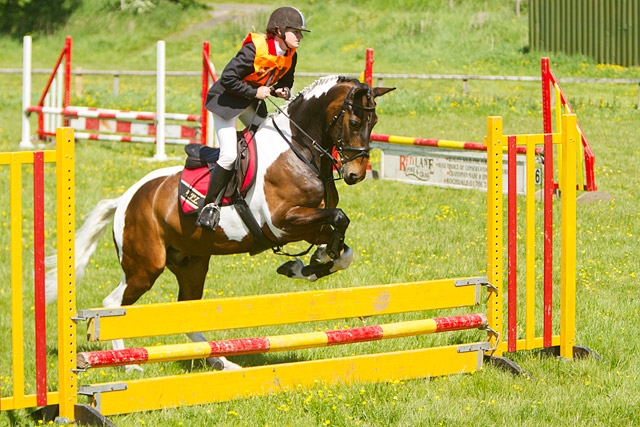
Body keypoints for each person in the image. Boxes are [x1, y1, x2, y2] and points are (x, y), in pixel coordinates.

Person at [197, 6, 310, 230]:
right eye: (295, 31)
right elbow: (228, 78)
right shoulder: (253, 49)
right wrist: (255, 92)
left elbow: (286, 81)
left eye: (300, 33)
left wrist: (282, 90)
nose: (299, 36)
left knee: (271, 137)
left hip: (249, 103)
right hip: (226, 103)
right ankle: (209, 206)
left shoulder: (290, 55)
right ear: (279, 31)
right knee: (229, 155)